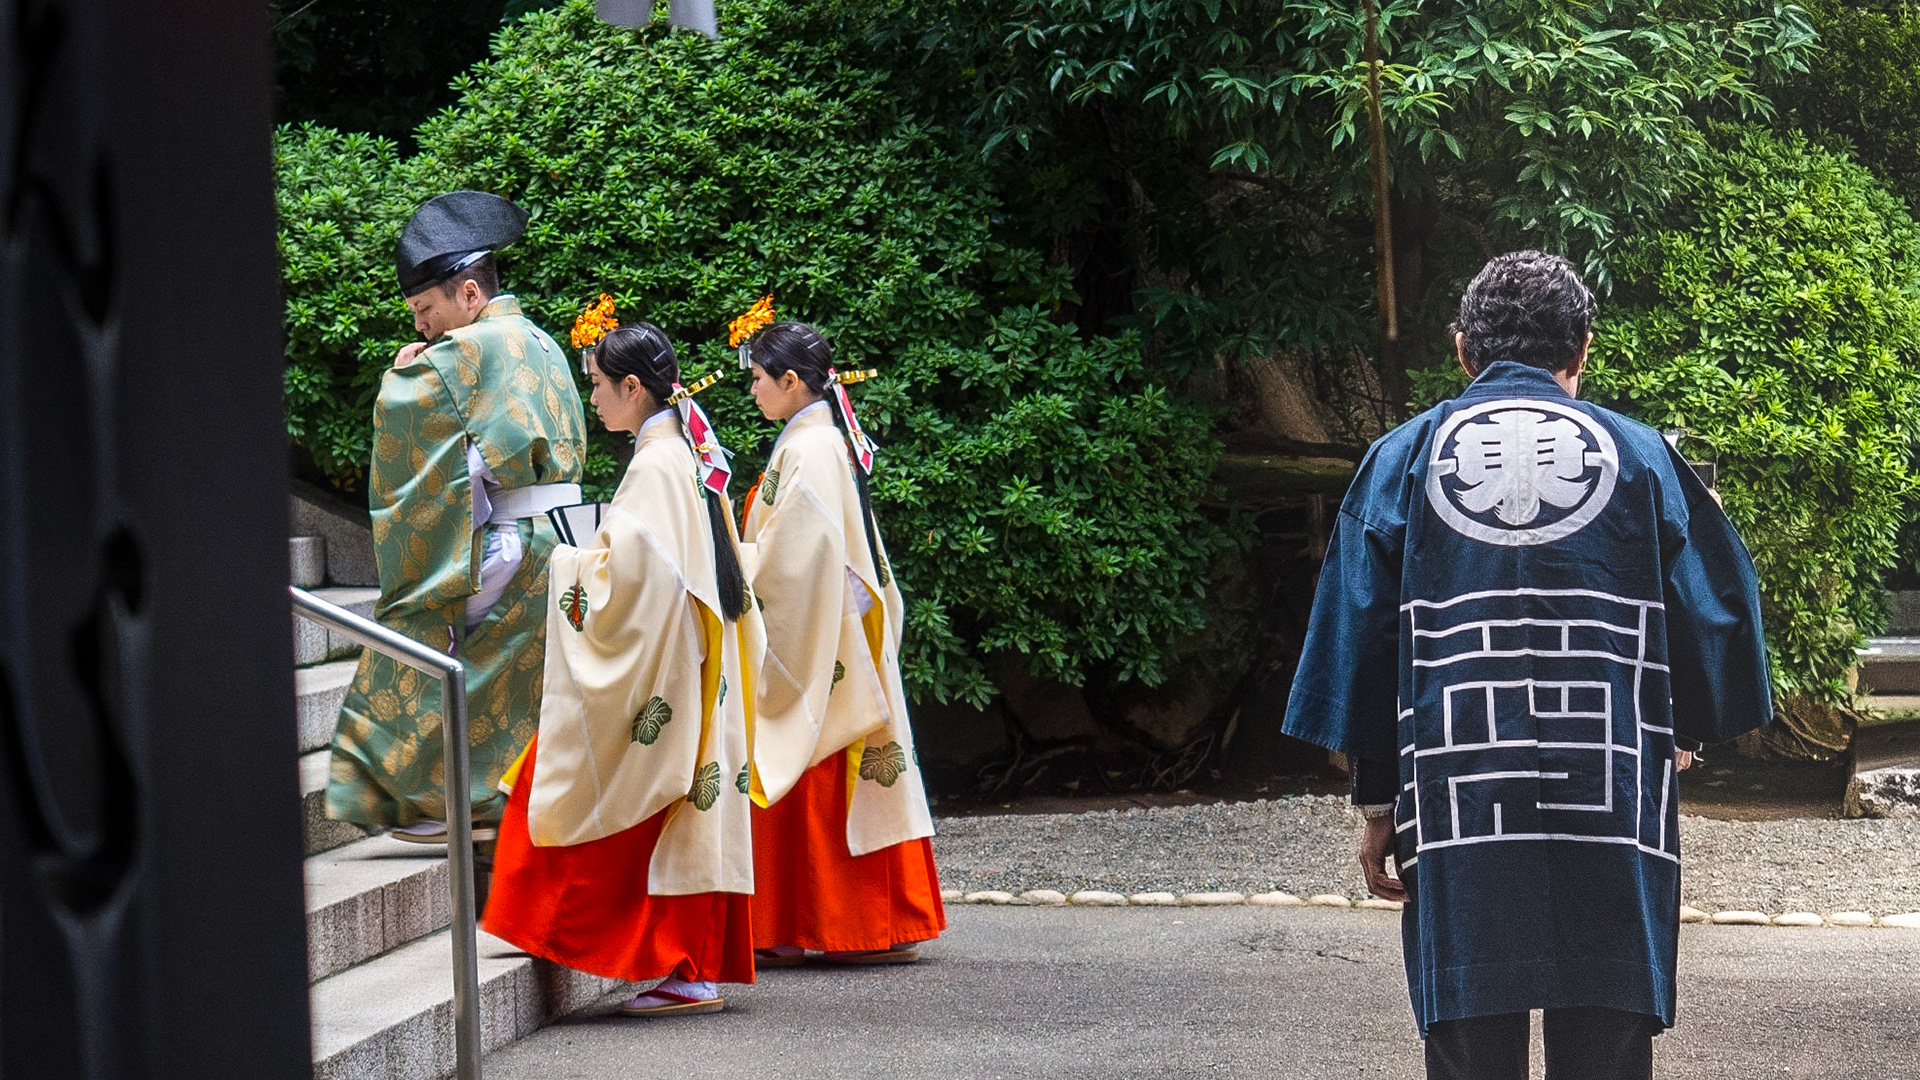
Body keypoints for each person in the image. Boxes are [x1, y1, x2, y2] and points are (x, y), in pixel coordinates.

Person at [1282, 251, 1771, 1080]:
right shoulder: (1642, 456)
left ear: (1463, 349)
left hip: (1460, 797)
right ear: (1582, 348)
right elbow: (1716, 610)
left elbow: (1363, 640)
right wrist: (1683, 727)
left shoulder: (1404, 457)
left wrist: (1378, 801)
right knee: (1607, 1036)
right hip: (1611, 789)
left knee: (1471, 1037)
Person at [482, 313, 761, 1016]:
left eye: (601, 386)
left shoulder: (658, 463)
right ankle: (684, 964)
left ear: (633, 387)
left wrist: (567, 563)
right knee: (664, 809)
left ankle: (666, 961)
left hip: (662, 662)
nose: (595, 399)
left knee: (569, 782)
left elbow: (632, 581)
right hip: (684, 660)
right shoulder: (681, 451)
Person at [327, 191, 589, 843]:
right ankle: (486, 801)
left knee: (419, 642)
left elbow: (411, 422)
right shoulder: (540, 340)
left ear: (469, 294)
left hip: (511, 544)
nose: (422, 328)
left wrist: (399, 375)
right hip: (564, 535)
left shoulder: (472, 348)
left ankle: (432, 797)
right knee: (514, 685)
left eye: (426, 310)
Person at [733, 312, 944, 965]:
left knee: (805, 761)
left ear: (791, 381)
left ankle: (841, 925)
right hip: (833, 629)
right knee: (822, 771)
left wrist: (738, 570)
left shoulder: (813, 447)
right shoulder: (820, 439)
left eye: (759, 379)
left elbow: (799, 558)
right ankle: (846, 923)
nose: (752, 390)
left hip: (822, 633)